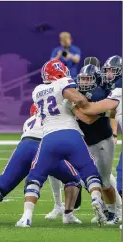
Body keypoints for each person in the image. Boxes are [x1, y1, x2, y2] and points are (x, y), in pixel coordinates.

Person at [16, 59, 105, 227]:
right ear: (61, 73)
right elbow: (80, 102)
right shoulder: (63, 83)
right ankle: (96, 199)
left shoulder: (37, 90)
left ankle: (26, 216)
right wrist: (84, 103)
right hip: (71, 134)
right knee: (89, 170)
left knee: (35, 176)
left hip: (49, 137)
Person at [0, 104, 82, 225]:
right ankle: (68, 215)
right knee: (73, 179)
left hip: (24, 147)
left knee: (2, 184)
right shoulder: (58, 117)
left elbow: (24, 141)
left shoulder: (29, 121)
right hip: (46, 146)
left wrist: (11, 164)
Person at [74, 86, 122, 229]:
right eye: (82, 78)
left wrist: (74, 108)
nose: (84, 82)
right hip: (85, 142)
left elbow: (91, 117)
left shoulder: (100, 92)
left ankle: (115, 213)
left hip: (101, 141)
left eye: (88, 79)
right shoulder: (73, 91)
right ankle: (106, 210)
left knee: (105, 181)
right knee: (88, 180)